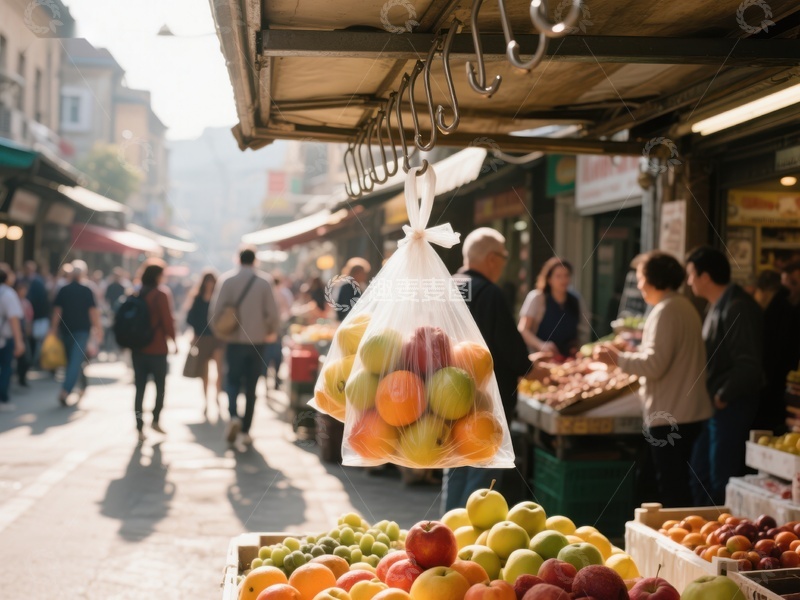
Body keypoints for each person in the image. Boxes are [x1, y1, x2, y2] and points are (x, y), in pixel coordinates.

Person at [594, 251, 711, 507]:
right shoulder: (681, 306)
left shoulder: (666, 310)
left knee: (670, 489)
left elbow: (655, 365)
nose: (639, 285)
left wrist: (617, 359)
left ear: (654, 279)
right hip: (683, 412)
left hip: (672, 415)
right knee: (675, 485)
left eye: (641, 278)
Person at [444, 228, 532, 511]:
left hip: (446, 398)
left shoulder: (448, 286)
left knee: (455, 464)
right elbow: (512, 349)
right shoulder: (490, 293)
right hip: (485, 402)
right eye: (504, 257)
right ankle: (466, 540)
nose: (504, 263)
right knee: (481, 472)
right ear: (492, 258)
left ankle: (447, 531)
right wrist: (532, 367)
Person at [686, 246, 764, 505]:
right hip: (717, 406)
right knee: (701, 474)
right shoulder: (717, 305)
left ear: (705, 276)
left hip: (732, 405)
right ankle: (706, 535)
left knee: (720, 480)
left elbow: (749, 364)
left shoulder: (737, 307)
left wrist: (723, 394)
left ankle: (724, 536)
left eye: (691, 275)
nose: (689, 282)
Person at [211, 247, 279, 446]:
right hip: (258, 341)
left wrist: (221, 332)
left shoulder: (227, 280)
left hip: (234, 341)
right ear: (255, 260)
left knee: (231, 380)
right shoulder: (264, 282)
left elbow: (215, 311)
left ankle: (233, 416)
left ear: (238, 259)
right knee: (251, 385)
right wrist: (271, 331)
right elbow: (273, 314)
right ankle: (246, 429)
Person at [132, 261, 176, 441]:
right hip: (157, 348)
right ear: (158, 275)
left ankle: (139, 426)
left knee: (140, 388)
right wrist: (173, 340)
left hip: (138, 348)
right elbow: (168, 321)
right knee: (160, 387)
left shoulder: (136, 292)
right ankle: (156, 420)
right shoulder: (161, 294)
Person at [753, 270, 800, 433]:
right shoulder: (786, 308)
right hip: (780, 381)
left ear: (763, 290)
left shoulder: (776, 311)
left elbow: (771, 353)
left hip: (770, 385)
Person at [50, 260, 102, 406]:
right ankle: (81, 386)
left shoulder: (64, 289)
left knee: (74, 360)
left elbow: (57, 312)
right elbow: (93, 313)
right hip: (79, 331)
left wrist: (53, 329)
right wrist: (98, 330)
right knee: (74, 361)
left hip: (69, 331)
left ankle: (65, 391)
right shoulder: (85, 290)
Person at [518, 258, 589, 356]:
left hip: (570, 361)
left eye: (566, 275)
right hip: (541, 359)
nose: (563, 280)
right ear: (549, 279)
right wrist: (541, 345)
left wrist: (578, 348)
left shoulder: (576, 300)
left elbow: (583, 331)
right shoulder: (537, 298)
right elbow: (523, 329)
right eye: (558, 276)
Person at [185, 270, 225, 416]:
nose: (209, 284)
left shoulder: (219, 298)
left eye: (212, 281)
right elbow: (190, 318)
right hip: (202, 338)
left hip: (218, 338)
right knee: (204, 373)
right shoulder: (197, 298)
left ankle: (217, 396)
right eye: (207, 281)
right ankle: (206, 401)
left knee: (219, 370)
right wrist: (195, 333)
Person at [0, 268, 26, 411]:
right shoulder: (8, 293)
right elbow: (14, 319)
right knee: (5, 368)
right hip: (4, 338)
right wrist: (19, 341)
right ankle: (2, 398)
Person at [21, 261, 49, 366]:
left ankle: (33, 360)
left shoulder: (38, 282)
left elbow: (41, 300)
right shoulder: (22, 280)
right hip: (25, 316)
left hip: (35, 316)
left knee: (35, 340)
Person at [15, 280, 33, 387]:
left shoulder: (26, 303)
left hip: (24, 334)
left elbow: (29, 319)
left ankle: (22, 378)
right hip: (15, 333)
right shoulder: (13, 301)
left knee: (26, 358)